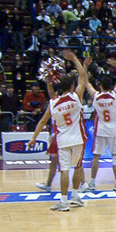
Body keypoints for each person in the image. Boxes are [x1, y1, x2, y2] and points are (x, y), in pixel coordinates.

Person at [28, 49, 88, 211]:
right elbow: (84, 77)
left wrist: (33, 138)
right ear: (72, 85)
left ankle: (63, 201)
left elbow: (42, 122)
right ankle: (75, 196)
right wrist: (75, 59)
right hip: (78, 139)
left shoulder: (53, 103)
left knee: (64, 171)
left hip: (62, 140)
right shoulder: (76, 97)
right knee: (78, 167)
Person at [80, 57, 116, 192]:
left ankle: (92, 183)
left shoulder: (95, 96)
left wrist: (85, 66)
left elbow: (85, 82)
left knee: (96, 156)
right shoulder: (114, 95)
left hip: (100, 130)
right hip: (113, 130)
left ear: (100, 85)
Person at [35, 77, 59, 192]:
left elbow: (43, 121)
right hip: (73, 136)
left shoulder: (54, 103)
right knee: (75, 162)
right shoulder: (74, 99)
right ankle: (83, 184)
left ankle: (49, 184)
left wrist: (48, 80)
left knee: (55, 162)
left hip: (59, 136)